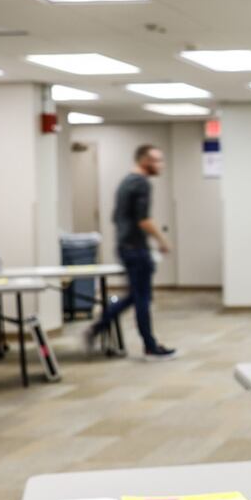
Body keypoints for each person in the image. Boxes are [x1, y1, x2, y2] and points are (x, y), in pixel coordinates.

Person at [87, 143, 177, 360]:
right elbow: (144, 220)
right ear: (145, 161)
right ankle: (149, 345)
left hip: (126, 247)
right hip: (136, 249)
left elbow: (116, 216)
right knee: (142, 298)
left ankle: (98, 327)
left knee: (135, 296)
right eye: (157, 160)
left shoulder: (126, 182)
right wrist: (163, 240)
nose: (161, 165)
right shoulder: (141, 184)